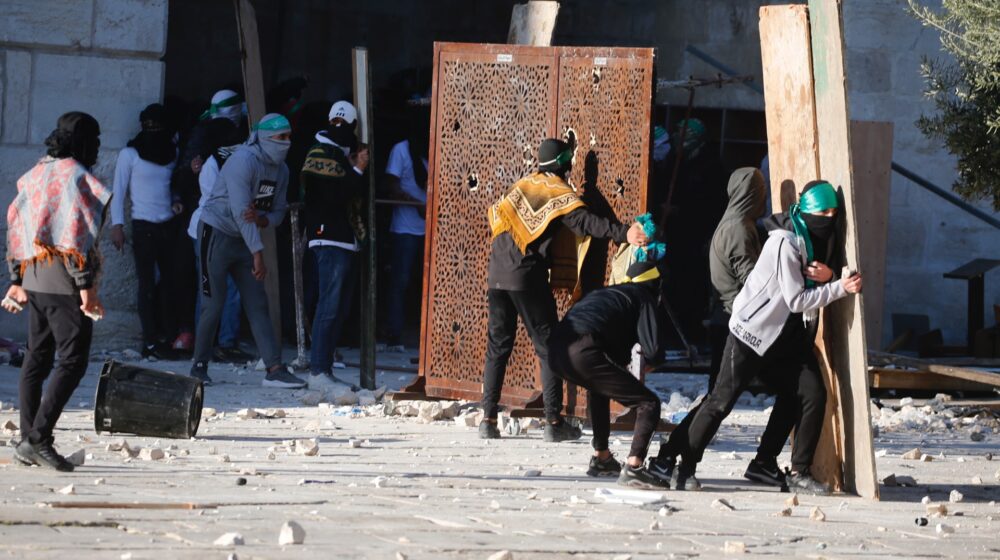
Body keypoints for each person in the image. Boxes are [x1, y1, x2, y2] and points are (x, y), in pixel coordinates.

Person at [652, 180, 862, 494]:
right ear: (806, 212)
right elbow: (796, 299)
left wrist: (831, 278)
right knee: (720, 403)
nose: (828, 219)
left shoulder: (808, 239)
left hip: (783, 337)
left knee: (809, 394)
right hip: (750, 333)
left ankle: (780, 466)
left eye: (833, 213)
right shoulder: (785, 243)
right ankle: (684, 467)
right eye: (823, 212)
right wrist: (839, 289)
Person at [480, 138, 648, 441]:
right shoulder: (557, 192)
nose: (572, 166)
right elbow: (585, 222)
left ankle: (488, 419)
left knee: (497, 346)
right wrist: (625, 233)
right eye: (569, 160)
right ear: (562, 163)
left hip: (496, 276)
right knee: (548, 347)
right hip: (525, 277)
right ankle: (552, 421)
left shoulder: (521, 187)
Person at [4, 112, 109, 471]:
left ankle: (26, 438)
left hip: (34, 274)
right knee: (73, 358)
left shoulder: (35, 173)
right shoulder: (75, 177)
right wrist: (85, 288)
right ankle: (38, 439)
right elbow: (75, 233)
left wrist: (16, 278)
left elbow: (15, 224)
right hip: (64, 280)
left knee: (37, 356)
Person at [190, 113, 305, 388]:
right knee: (213, 304)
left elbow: (274, 212)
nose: (286, 143)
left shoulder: (281, 170)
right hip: (215, 234)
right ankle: (199, 366)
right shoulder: (243, 161)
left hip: (245, 241)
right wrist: (258, 253)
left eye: (289, 137)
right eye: (280, 138)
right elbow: (242, 212)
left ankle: (274, 368)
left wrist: (263, 221)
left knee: (257, 304)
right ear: (264, 138)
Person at [549, 253, 670, 489]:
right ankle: (634, 467)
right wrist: (654, 360)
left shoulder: (608, 294)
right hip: (583, 350)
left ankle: (601, 457)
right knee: (649, 403)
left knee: (598, 389)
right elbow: (653, 350)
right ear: (656, 286)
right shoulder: (644, 296)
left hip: (554, 353)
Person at [301, 101, 369, 390]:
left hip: (341, 239)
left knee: (337, 307)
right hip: (328, 237)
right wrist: (357, 171)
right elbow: (334, 197)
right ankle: (318, 371)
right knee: (328, 306)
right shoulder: (322, 153)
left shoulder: (337, 153)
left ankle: (325, 368)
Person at [109, 103, 179, 358]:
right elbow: (118, 192)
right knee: (147, 285)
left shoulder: (172, 151)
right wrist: (117, 225)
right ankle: (149, 341)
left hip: (168, 225)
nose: (152, 130)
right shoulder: (130, 154)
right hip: (143, 226)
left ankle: (168, 338)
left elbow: (171, 185)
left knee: (170, 285)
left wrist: (176, 201)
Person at [188, 130, 252, 363]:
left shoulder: (225, 162)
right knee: (211, 290)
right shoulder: (213, 164)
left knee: (226, 289)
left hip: (223, 231)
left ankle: (222, 343)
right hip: (210, 231)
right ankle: (209, 345)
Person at [382, 110, 429, 351]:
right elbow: (391, 184)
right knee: (399, 282)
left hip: (429, 230)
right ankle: (394, 334)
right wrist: (415, 204)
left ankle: (426, 335)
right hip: (405, 229)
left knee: (427, 284)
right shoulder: (401, 150)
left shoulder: (430, 148)